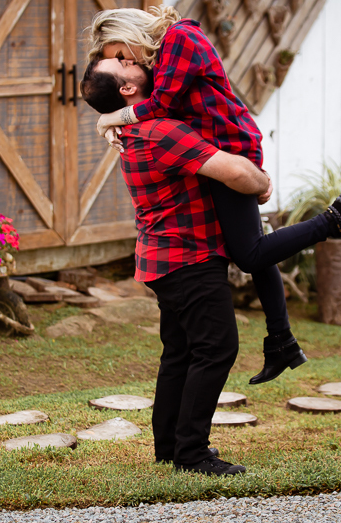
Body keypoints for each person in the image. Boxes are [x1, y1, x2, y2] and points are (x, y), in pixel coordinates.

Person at [85, 6, 341, 385]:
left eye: (119, 53)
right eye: (118, 60)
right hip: (216, 152)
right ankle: (282, 342)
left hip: (232, 149)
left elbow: (162, 106)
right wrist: (114, 116)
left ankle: (336, 219)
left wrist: (111, 118)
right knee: (256, 250)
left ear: (129, 32)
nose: (125, 60)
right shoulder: (161, 57)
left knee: (249, 253)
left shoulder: (181, 38)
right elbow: (158, 108)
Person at [80, 57, 273, 476]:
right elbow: (236, 172)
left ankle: (169, 446)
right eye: (123, 62)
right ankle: (192, 453)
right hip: (190, 257)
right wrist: (264, 182)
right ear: (127, 89)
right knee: (216, 349)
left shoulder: (137, 127)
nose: (134, 60)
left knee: (181, 353)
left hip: (163, 258)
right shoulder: (161, 131)